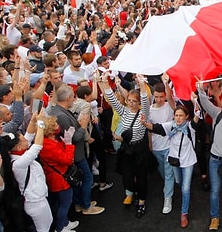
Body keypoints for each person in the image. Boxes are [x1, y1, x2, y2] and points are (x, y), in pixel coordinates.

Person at [97, 73, 150, 218]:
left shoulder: (143, 113)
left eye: (134, 101)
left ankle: (141, 202)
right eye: (129, 100)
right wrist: (105, 83)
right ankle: (134, 192)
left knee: (141, 178)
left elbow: (145, 101)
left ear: (138, 103)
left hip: (139, 150)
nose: (131, 103)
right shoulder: (124, 112)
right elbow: (113, 101)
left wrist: (142, 86)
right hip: (126, 150)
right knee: (127, 178)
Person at [48, 85, 105, 216]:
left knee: (79, 180)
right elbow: (74, 138)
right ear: (68, 98)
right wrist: (83, 126)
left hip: (73, 153)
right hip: (75, 154)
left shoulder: (58, 111)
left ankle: (80, 203)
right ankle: (86, 206)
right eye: (73, 97)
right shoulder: (61, 116)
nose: (74, 100)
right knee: (87, 178)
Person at [142, 105, 198, 228]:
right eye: (176, 115)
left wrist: (196, 101)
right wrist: (144, 123)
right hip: (175, 161)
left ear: (186, 117)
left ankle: (184, 213)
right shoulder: (170, 125)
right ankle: (185, 193)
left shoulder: (190, 127)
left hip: (188, 161)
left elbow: (197, 118)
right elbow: (156, 128)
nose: (178, 118)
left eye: (181, 115)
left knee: (185, 188)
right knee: (179, 181)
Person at [0, 113, 51, 232]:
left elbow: (30, 134)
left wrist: (33, 121)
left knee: (47, 223)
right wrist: (41, 124)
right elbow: (37, 145)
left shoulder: (18, 155)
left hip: (38, 198)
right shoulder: (18, 163)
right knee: (44, 229)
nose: (27, 140)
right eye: (23, 140)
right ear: (18, 147)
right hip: (35, 201)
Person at [196, 82, 222, 230]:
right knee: (215, 190)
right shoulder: (217, 113)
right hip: (215, 159)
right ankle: (214, 217)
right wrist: (201, 88)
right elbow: (205, 102)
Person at [39, 115, 79, 232]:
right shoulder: (48, 146)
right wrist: (68, 144)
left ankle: (65, 223)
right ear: (50, 130)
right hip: (59, 179)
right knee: (65, 203)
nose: (58, 127)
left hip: (57, 176)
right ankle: (60, 228)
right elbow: (66, 159)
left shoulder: (49, 141)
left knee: (60, 202)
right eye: (55, 125)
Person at [147, 80, 175, 215]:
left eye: (161, 96)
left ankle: (168, 198)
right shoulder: (150, 110)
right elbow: (149, 130)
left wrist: (166, 82)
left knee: (169, 173)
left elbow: (170, 98)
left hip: (169, 145)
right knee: (163, 172)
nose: (158, 99)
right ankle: (168, 186)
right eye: (156, 96)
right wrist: (150, 145)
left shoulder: (169, 106)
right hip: (157, 147)